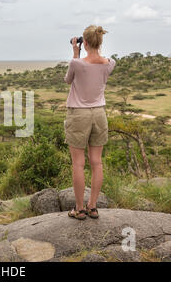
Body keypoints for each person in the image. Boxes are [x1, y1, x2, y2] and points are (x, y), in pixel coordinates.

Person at [64, 25, 116, 220]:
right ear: (100, 41)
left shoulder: (76, 63)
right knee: (97, 162)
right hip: (99, 114)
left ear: (83, 42)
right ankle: (92, 207)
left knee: (78, 163)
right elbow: (101, 62)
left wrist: (75, 53)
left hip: (79, 114)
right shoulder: (110, 63)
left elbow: (68, 80)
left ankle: (79, 209)